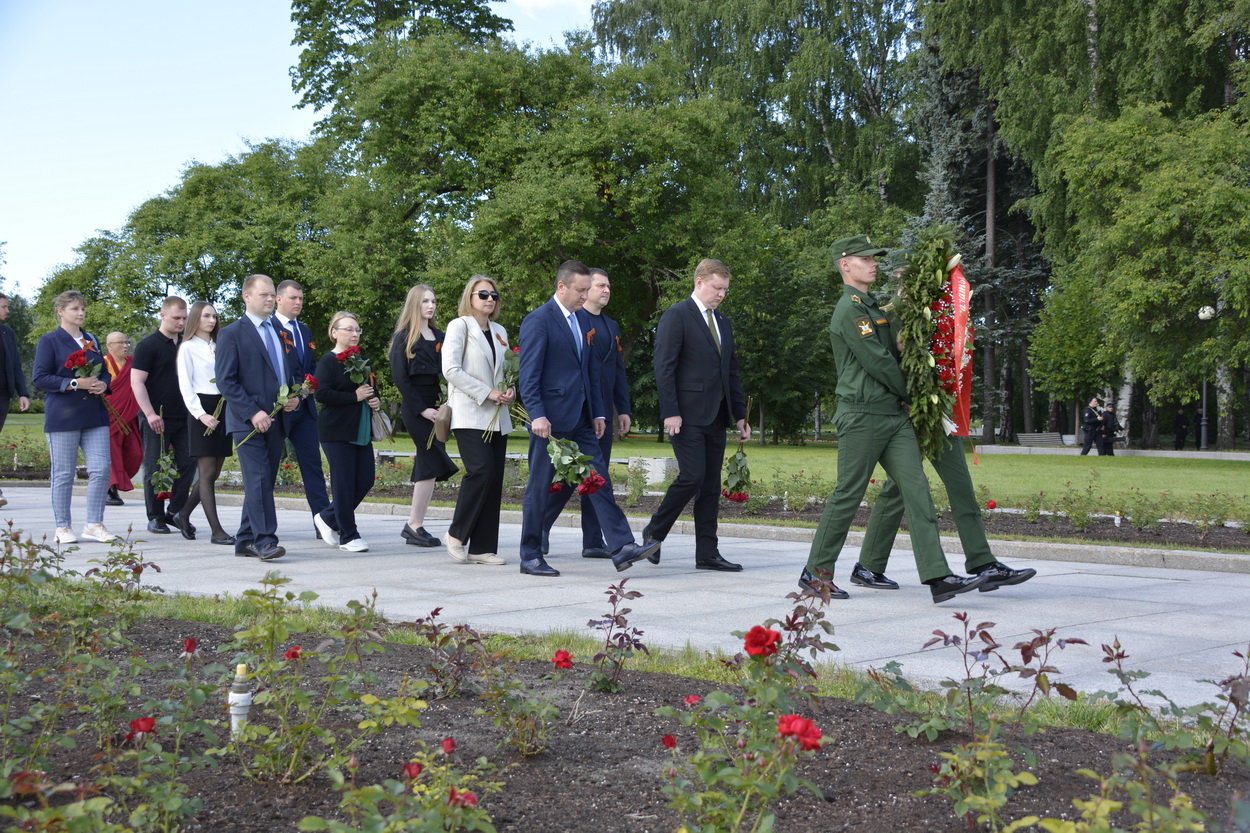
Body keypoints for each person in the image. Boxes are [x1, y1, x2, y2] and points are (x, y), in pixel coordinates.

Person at [800, 235, 989, 603]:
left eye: (875, 258)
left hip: (892, 414)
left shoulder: (873, 307)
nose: (873, 263)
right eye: (865, 258)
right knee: (848, 494)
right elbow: (879, 363)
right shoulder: (849, 309)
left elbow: (897, 346)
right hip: (862, 415)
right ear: (845, 265)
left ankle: (938, 576)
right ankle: (816, 572)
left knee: (916, 490)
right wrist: (918, 393)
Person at [516, 260, 658, 577]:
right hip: (549, 423)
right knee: (539, 488)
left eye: (586, 290)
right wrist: (537, 415)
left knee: (598, 479)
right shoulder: (539, 321)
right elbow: (529, 376)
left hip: (582, 418)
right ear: (562, 287)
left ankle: (621, 547)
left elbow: (590, 371)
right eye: (580, 290)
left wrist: (596, 412)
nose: (584, 296)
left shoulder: (582, 322)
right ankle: (530, 555)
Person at [642, 258, 750, 572]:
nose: (721, 294)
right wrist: (671, 412)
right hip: (686, 416)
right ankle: (654, 531)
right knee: (692, 476)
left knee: (711, 486)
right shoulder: (677, 316)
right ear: (699, 282)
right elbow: (665, 368)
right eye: (717, 288)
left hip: (717, 416)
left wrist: (740, 414)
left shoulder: (723, 322)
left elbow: (731, 372)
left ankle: (707, 552)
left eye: (725, 290)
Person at [541, 267, 632, 559]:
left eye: (609, 286)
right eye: (600, 285)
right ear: (585, 289)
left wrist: (622, 408)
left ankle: (593, 541)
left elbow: (617, 370)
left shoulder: (611, 326)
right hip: (575, 411)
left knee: (596, 476)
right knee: (573, 476)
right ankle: (540, 527)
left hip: (600, 411)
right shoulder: (573, 321)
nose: (606, 290)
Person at [216, 274, 298, 561]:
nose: (269, 299)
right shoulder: (231, 333)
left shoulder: (278, 330)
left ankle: (245, 539)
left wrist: (292, 397)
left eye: (271, 294)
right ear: (246, 297)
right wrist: (252, 412)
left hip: (276, 419)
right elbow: (226, 381)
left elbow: (282, 372)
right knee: (259, 478)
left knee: (262, 481)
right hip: (247, 422)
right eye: (263, 294)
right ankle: (265, 540)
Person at [31, 290, 116, 544]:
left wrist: (103, 384)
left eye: (82, 309)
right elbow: (40, 377)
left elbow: (104, 373)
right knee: (64, 474)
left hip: (95, 415)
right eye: (75, 309)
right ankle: (63, 527)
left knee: (101, 470)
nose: (80, 314)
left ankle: (94, 524)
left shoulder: (91, 339)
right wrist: (75, 383)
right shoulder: (50, 341)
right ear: (61, 311)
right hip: (63, 417)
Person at [441, 276, 513, 567]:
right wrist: (487, 392)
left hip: (498, 416)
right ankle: (456, 535)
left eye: (493, 294)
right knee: (480, 471)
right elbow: (451, 370)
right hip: (470, 412)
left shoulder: (499, 330)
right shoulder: (459, 325)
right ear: (470, 296)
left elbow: (506, 369)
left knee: (494, 479)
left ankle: (482, 548)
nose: (489, 299)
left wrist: (510, 389)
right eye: (482, 294)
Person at [390, 284, 457, 547]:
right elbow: (400, 379)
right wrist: (422, 409)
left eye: (433, 301)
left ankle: (414, 524)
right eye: (425, 301)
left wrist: (444, 405)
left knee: (426, 466)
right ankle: (414, 524)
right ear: (414, 305)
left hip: (438, 408)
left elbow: (450, 373)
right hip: (416, 409)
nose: (430, 306)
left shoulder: (441, 335)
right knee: (430, 462)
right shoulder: (404, 337)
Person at [312, 311, 381, 552]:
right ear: (334, 333)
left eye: (357, 329)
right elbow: (321, 393)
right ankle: (349, 535)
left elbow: (372, 389)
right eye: (348, 329)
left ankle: (327, 517)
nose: (354, 333)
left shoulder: (364, 361)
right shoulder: (328, 361)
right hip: (336, 431)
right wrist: (354, 396)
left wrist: (376, 401)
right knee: (343, 484)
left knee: (365, 480)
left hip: (361, 430)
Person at [132, 296, 196, 536]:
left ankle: (176, 511)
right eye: (176, 318)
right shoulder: (148, 345)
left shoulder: (186, 345)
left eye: (184, 318)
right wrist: (149, 414)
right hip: (156, 417)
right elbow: (137, 382)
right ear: (163, 315)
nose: (181, 322)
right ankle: (155, 516)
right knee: (155, 466)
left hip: (185, 415)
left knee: (189, 463)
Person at [273, 280, 331, 535]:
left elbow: (311, 368)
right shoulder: (269, 327)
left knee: (313, 466)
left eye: (300, 299)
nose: (298, 303)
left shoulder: (304, 330)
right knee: (267, 468)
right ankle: (255, 527)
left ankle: (323, 522)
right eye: (293, 298)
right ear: (278, 299)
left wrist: (306, 391)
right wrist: (285, 398)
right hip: (277, 409)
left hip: (304, 408)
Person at [175, 302, 234, 545]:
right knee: (207, 473)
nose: (211, 320)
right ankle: (216, 531)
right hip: (202, 409)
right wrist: (200, 414)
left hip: (224, 407)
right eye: (206, 316)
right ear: (196, 319)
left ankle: (183, 514)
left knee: (215, 471)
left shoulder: (220, 346)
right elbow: (185, 385)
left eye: (214, 316)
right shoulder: (187, 347)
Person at [102, 332, 141, 506]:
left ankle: (115, 481)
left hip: (129, 415)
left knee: (136, 453)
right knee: (113, 454)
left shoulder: (134, 363)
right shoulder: (102, 363)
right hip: (109, 416)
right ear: (109, 345)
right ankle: (111, 489)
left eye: (126, 342)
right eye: (120, 343)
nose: (125, 346)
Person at [0, 293, 31, 509]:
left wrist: (23, 392)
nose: (7, 311)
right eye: (4, 307)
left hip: (2, 395)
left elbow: (16, 365)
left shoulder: (7, 332)